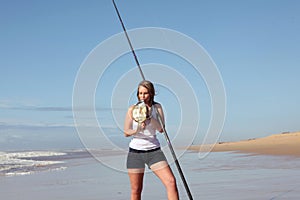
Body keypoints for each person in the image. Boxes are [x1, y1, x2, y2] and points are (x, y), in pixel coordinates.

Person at [124, 80, 179, 200]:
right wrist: (138, 129)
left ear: (151, 93)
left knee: (171, 182)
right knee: (136, 190)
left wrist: (149, 117)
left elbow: (161, 129)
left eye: (145, 93)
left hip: (154, 152)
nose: (142, 96)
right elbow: (126, 132)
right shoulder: (132, 109)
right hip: (135, 152)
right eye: (140, 93)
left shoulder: (156, 107)